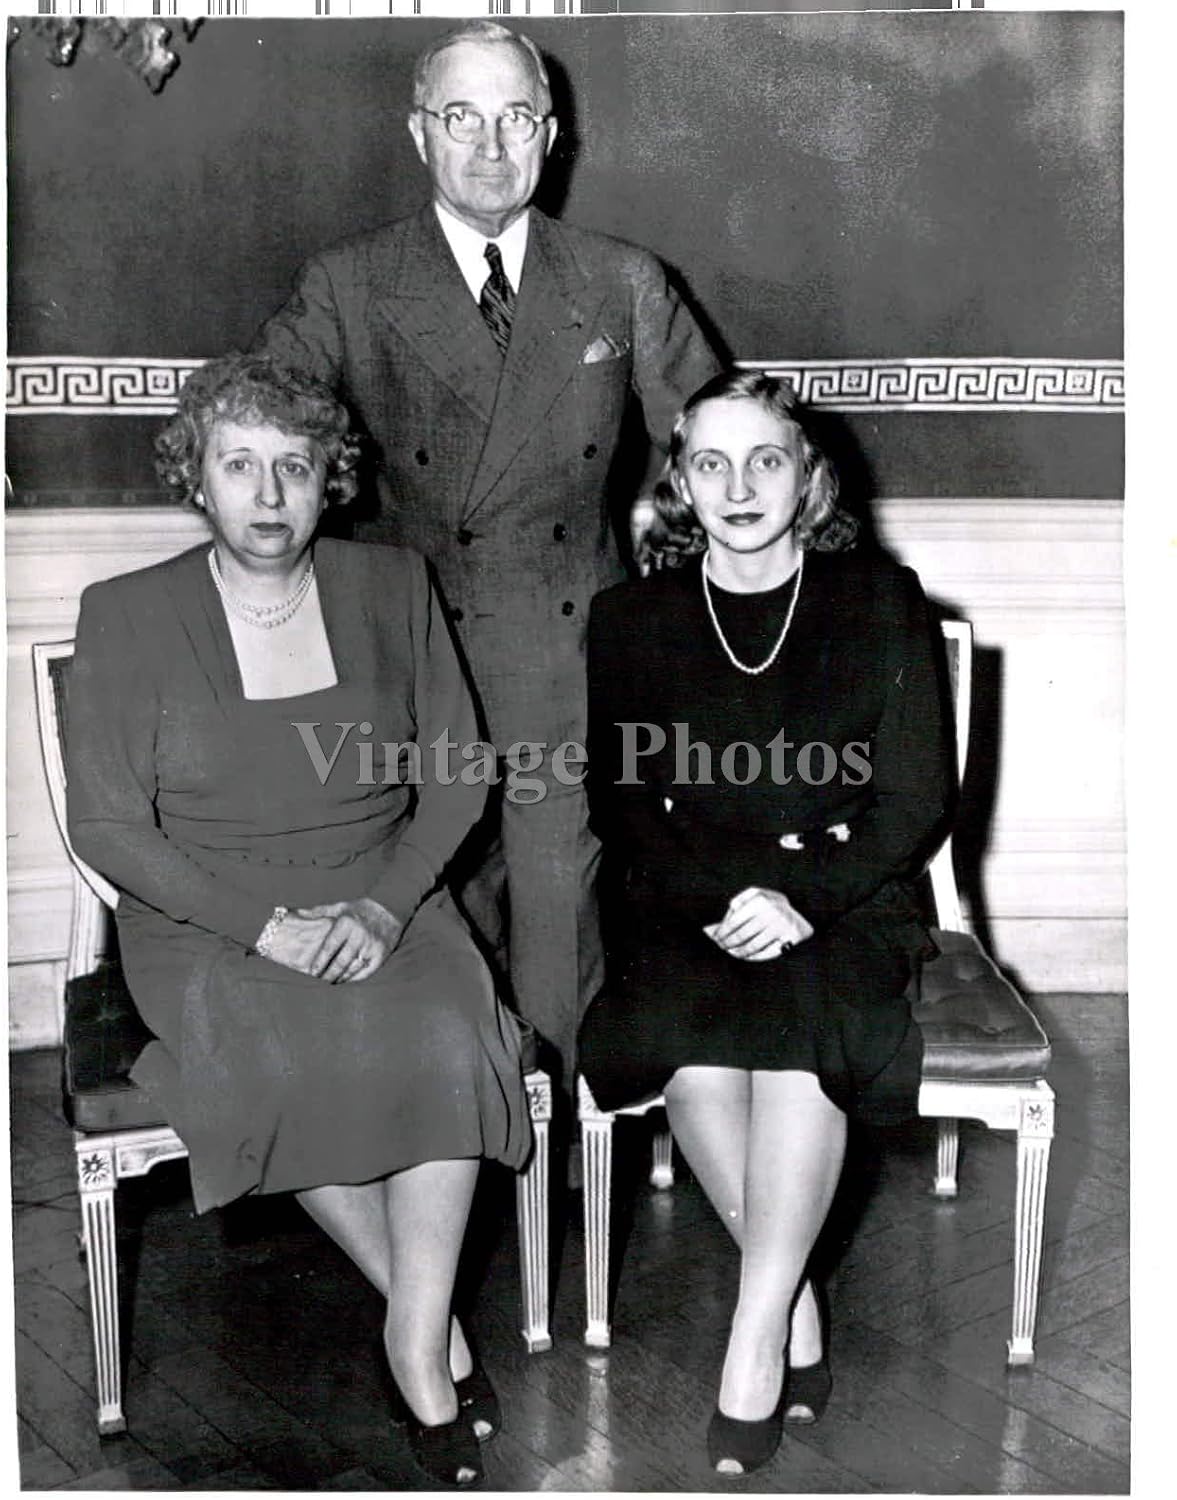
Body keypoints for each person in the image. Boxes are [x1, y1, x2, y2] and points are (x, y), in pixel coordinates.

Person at [65, 355, 534, 1488]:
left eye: (296, 466)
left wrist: (382, 905)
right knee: (276, 1054)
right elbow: (111, 830)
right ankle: (434, 1335)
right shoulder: (125, 614)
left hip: (382, 889)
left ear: (333, 481)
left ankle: (414, 1339)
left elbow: (462, 772)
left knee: (440, 1030)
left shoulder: (390, 586)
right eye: (240, 466)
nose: (268, 495)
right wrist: (261, 926)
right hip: (206, 916)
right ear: (197, 480)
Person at [253, 20, 720, 1097]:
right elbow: (261, 440)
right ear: (420, 134)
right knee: (433, 916)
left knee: (561, 930)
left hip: (572, 657)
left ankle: (556, 1170)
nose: (489, 146)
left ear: (551, 136)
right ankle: (445, 1156)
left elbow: (718, 439)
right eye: (460, 118)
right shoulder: (348, 284)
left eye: (515, 118)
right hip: (414, 661)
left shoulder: (621, 280)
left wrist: (664, 527)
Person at [578, 371, 954, 1475]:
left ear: (810, 475)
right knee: (690, 1047)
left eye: (766, 460)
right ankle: (791, 1307)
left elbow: (915, 796)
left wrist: (805, 898)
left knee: (798, 1044)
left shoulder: (881, 600)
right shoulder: (629, 619)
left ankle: (751, 1339)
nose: (738, 486)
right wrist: (715, 899)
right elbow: (621, 798)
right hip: (683, 897)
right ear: (680, 485)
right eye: (710, 463)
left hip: (843, 896)